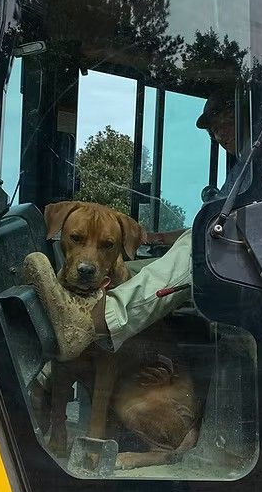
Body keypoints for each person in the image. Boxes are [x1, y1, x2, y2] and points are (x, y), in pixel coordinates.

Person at [24, 93, 238, 360]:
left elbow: (216, 232)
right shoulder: (241, 167)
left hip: (238, 256)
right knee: (126, 270)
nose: (218, 135)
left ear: (244, 116)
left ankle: (93, 323)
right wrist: (158, 237)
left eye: (224, 123)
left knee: (200, 246)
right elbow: (201, 225)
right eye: (213, 130)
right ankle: (63, 328)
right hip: (227, 246)